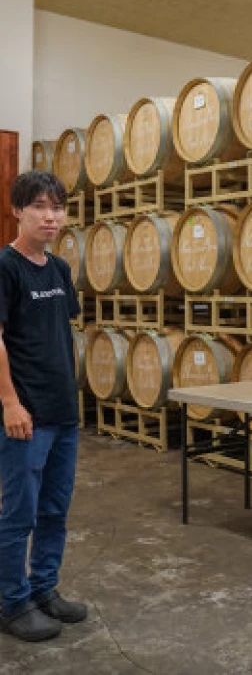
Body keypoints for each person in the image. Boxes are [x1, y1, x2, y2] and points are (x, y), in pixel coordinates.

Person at [0, 170, 87, 642]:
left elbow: (59, 336)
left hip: (63, 413)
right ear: (18, 210)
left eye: (57, 207)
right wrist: (11, 402)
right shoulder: (6, 267)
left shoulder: (59, 269)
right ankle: (12, 603)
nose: (50, 216)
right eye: (39, 206)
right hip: (26, 417)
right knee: (20, 514)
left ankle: (44, 589)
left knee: (55, 510)